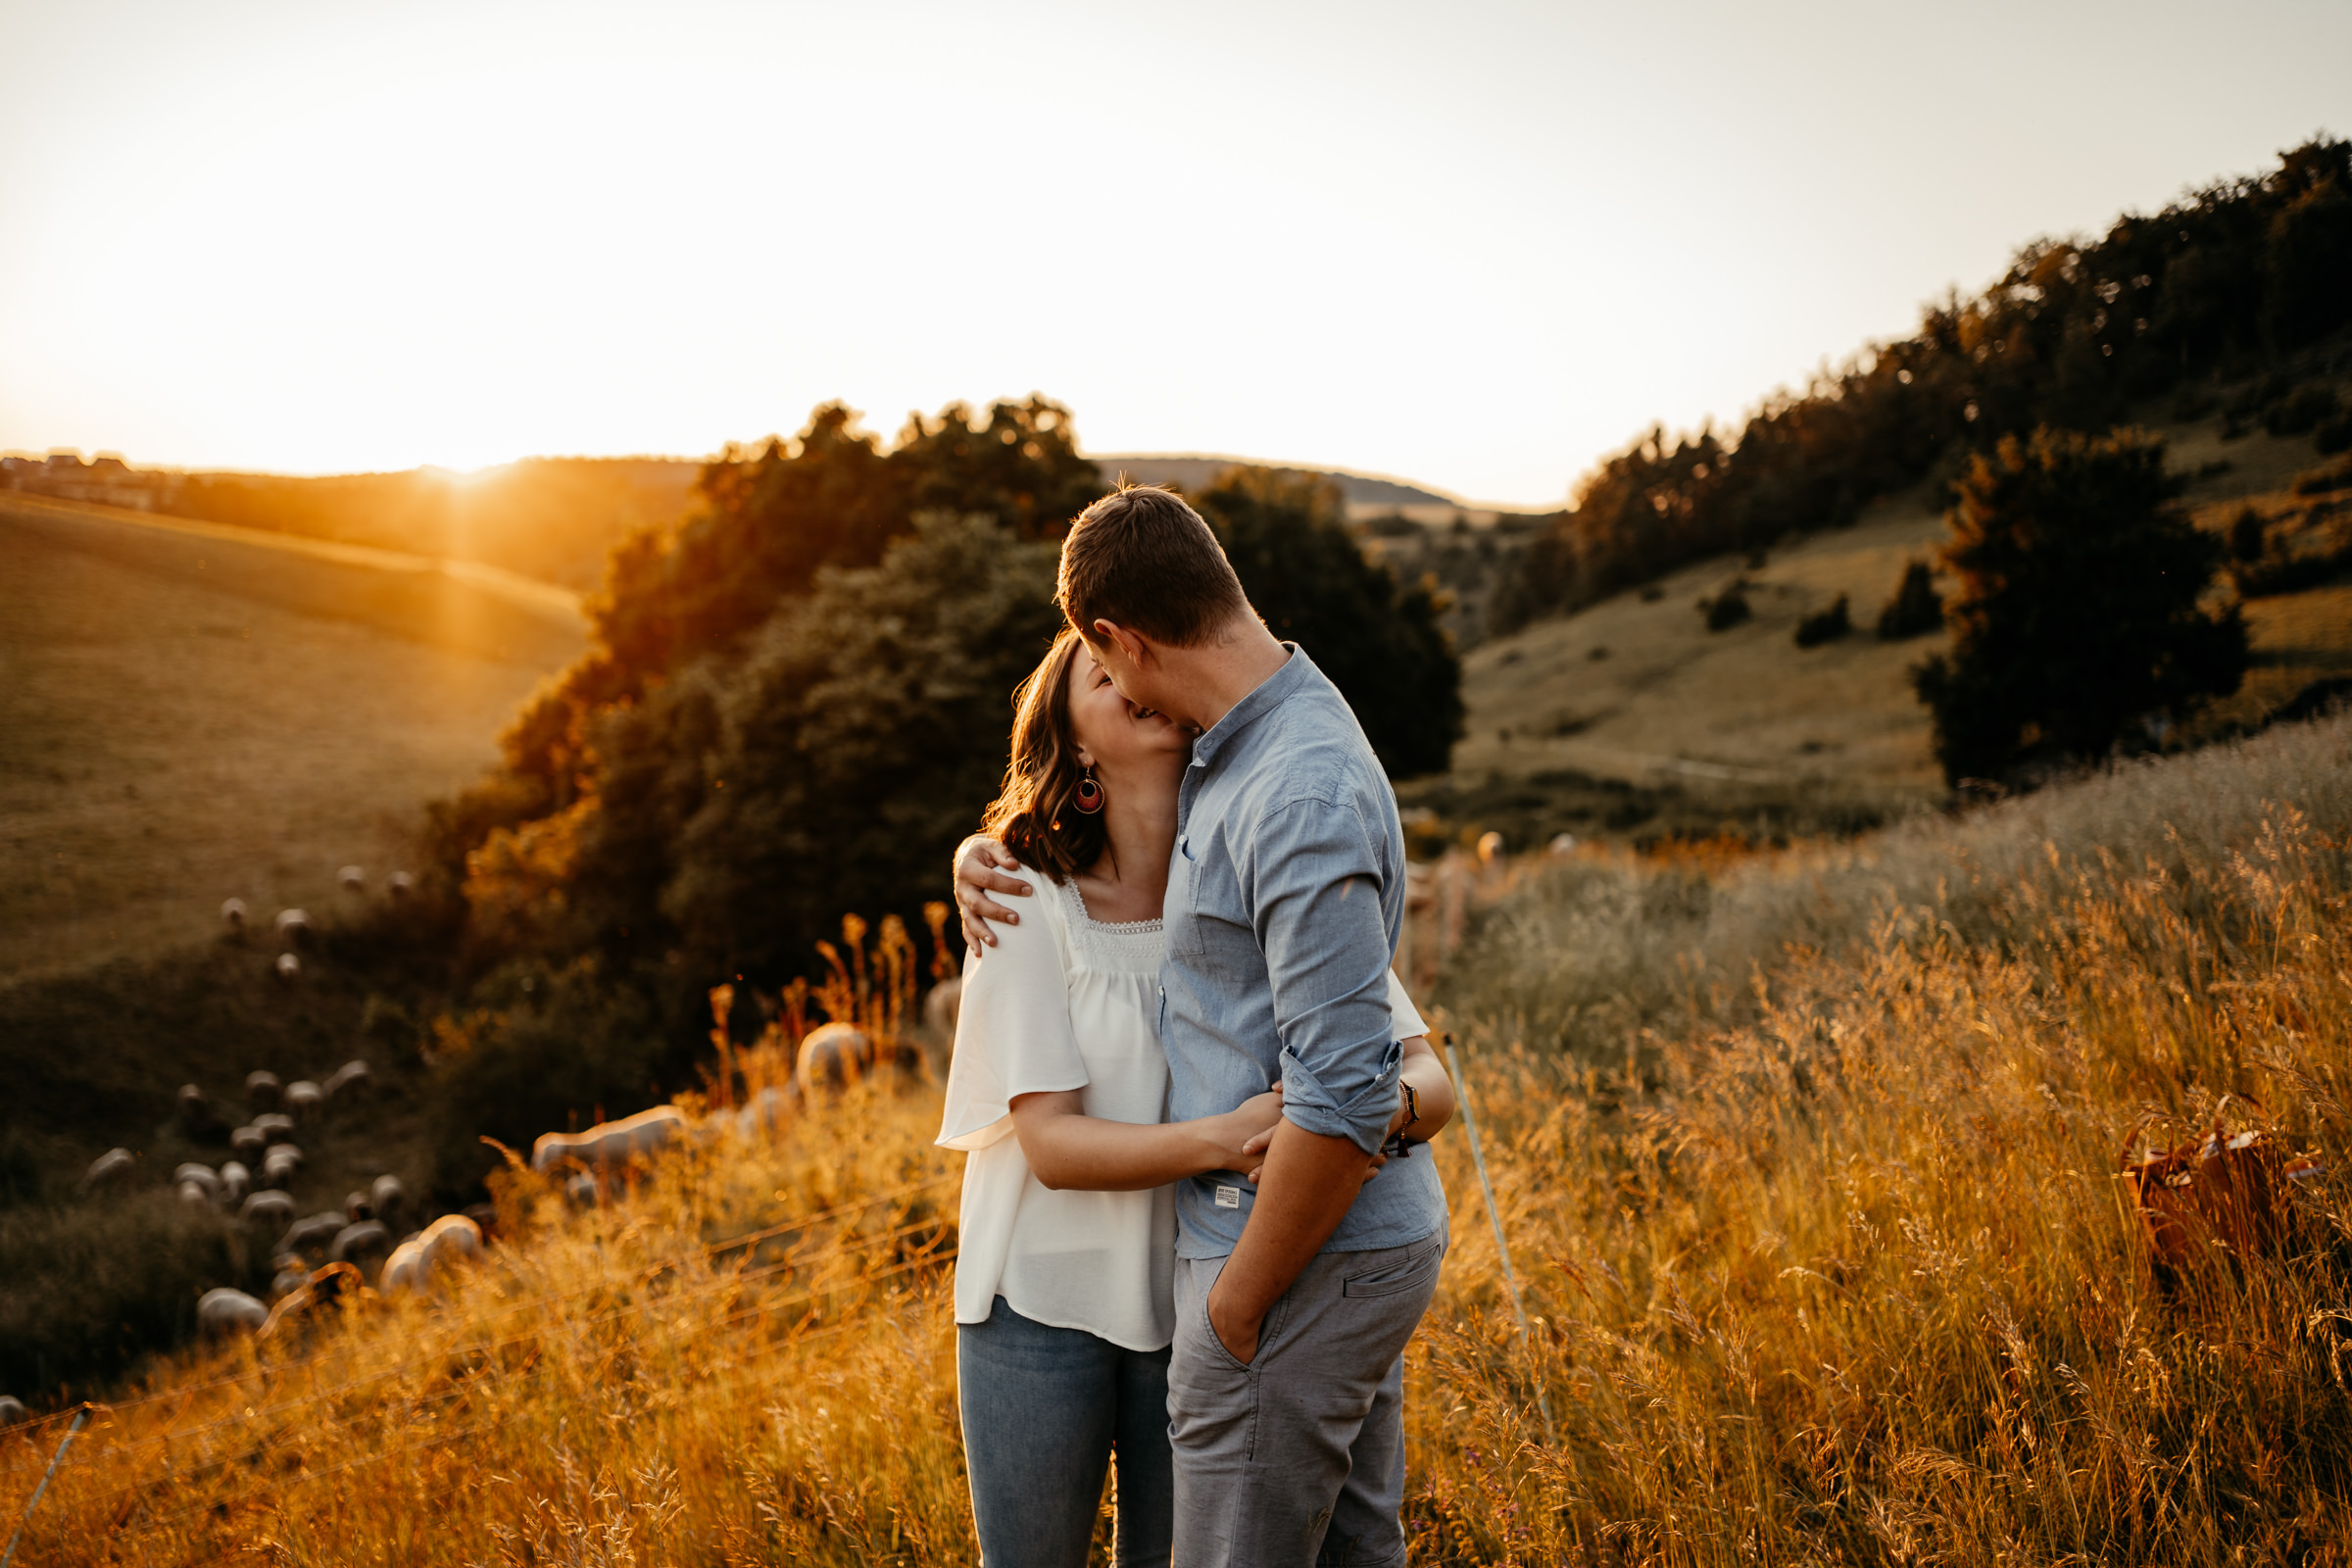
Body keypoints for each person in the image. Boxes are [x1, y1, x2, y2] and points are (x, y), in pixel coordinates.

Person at [956, 483, 1452, 1568]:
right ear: (1070, 741)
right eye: (1092, 677)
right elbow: (1045, 1137)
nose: (1126, 686)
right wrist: (1243, 1138)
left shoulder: (1252, 816)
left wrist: (1233, 1309)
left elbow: (1389, 1069)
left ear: (1131, 643)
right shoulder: (1024, 891)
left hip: (1215, 1277)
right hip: (1062, 1286)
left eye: (1110, 659)